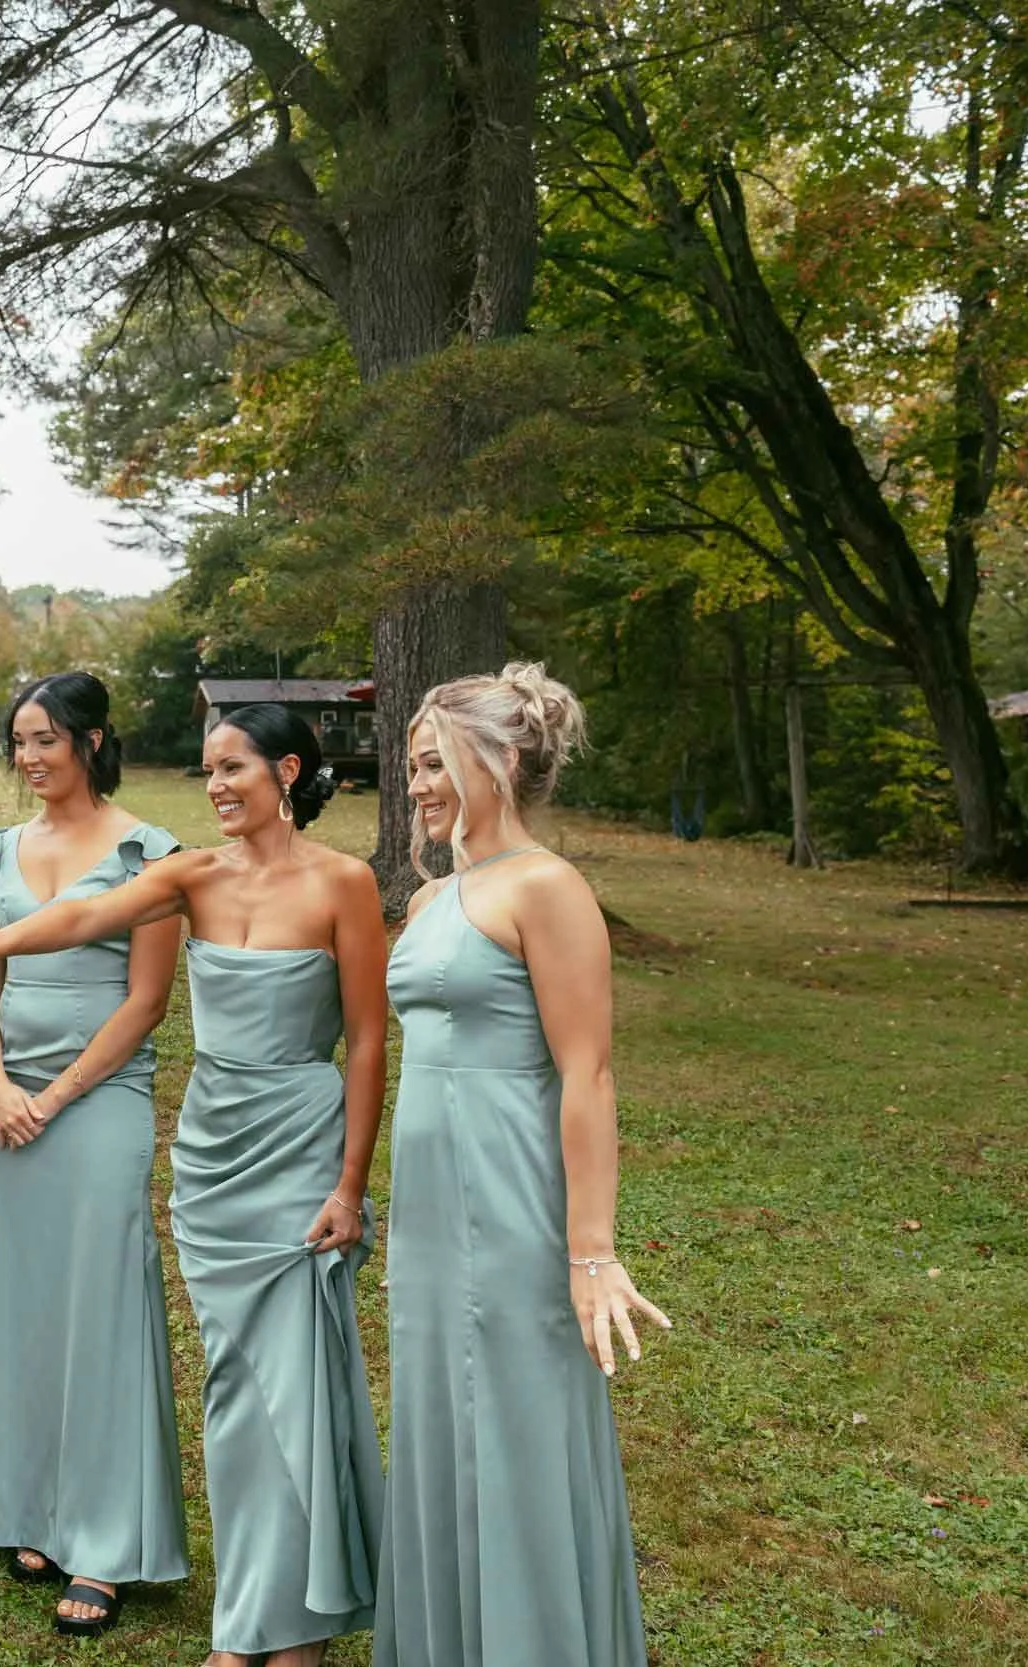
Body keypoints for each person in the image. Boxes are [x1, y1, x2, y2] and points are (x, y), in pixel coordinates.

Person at [0, 703, 388, 1667]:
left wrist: (349, 1184)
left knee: (292, 1387)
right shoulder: (191, 875)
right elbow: (86, 914)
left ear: (286, 771)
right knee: (232, 1391)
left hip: (299, 1145)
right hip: (213, 1159)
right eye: (207, 770)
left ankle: (286, 1632)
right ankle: (261, 1614)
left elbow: (371, 1040)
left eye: (233, 770)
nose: (215, 787)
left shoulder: (346, 884)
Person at [372, 664, 671, 1667]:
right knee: (442, 1425)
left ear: (496, 761)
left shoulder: (549, 887)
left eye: (430, 762)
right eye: (409, 765)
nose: (413, 783)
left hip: (509, 1203)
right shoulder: (436, 897)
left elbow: (585, 1072)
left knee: (515, 1424)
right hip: (424, 1209)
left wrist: (591, 1250)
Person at [0, 672, 188, 1638]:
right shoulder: (2, 848)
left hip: (97, 1102)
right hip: (9, 1103)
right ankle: (32, 1505)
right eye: (19, 741)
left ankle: (102, 1538)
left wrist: (53, 1094)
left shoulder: (148, 851)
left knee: (101, 1304)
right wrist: (0, 1086)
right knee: (30, 1300)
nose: (30, 758)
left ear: (91, 740)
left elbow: (146, 1001)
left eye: (46, 739)